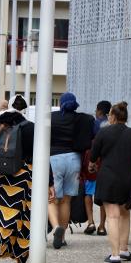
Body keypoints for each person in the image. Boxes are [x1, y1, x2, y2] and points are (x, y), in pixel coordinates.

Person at [0, 95, 47, 263]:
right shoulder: (30, 127)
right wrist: (49, 182)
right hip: (22, 179)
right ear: (25, 109)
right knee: (22, 220)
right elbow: (41, 156)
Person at [88, 102, 131, 263]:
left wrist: (92, 166)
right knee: (125, 214)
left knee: (112, 216)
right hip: (129, 179)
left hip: (108, 178)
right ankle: (124, 250)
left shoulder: (103, 133)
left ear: (112, 117)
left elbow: (93, 156)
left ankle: (114, 255)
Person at [48, 92, 95, 249]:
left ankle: (56, 228)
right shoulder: (83, 119)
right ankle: (62, 237)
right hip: (74, 160)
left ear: (61, 104)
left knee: (52, 198)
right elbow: (94, 135)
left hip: (54, 159)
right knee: (66, 200)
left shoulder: (51, 117)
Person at [84, 100, 111, 236]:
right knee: (103, 195)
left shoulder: (93, 123)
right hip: (106, 161)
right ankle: (102, 226)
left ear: (99, 111)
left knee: (88, 192)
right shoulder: (111, 124)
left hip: (92, 159)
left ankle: (90, 222)